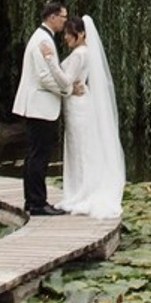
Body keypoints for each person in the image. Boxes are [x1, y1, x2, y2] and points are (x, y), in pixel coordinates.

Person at [11, 1, 83, 216]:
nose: (65, 21)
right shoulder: (43, 40)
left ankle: (32, 201)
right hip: (40, 106)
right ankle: (37, 203)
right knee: (39, 155)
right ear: (52, 17)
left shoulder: (42, 37)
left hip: (37, 105)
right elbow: (45, 78)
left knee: (35, 154)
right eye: (63, 17)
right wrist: (68, 90)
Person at [55, 13, 126, 219]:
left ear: (81, 33)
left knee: (79, 148)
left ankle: (81, 191)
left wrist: (51, 64)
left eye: (69, 34)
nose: (66, 38)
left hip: (77, 105)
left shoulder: (79, 54)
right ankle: (82, 188)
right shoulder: (85, 52)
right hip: (79, 102)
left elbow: (67, 80)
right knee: (81, 147)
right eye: (66, 34)